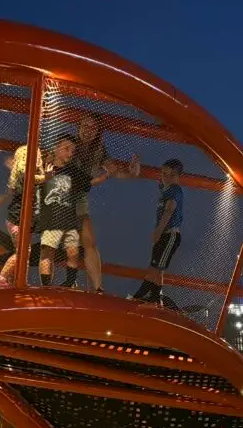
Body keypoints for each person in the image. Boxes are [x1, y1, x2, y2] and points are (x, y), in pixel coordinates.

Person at [74, 115, 139, 293]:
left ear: (98, 133)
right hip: (59, 196)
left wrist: (131, 173)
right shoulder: (70, 143)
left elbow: (114, 171)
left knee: (89, 241)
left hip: (79, 199)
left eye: (93, 128)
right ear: (78, 127)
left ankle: (98, 288)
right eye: (84, 125)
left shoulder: (99, 151)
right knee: (56, 241)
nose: (88, 130)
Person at [0, 143, 47, 287]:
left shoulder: (22, 173)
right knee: (23, 252)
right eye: (37, 157)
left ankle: (19, 281)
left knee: (25, 252)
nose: (39, 159)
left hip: (20, 219)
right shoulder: (24, 174)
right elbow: (33, 179)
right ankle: (1, 278)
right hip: (18, 219)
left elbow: (8, 194)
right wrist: (46, 176)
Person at [39, 136, 92, 287]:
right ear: (56, 148)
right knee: (48, 250)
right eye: (66, 149)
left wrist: (107, 175)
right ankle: (46, 285)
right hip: (50, 216)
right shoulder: (44, 166)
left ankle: (69, 282)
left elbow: (89, 182)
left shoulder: (73, 171)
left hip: (69, 217)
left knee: (73, 251)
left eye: (72, 151)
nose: (70, 153)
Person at [133, 158, 183, 303]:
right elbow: (162, 185)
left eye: (172, 175)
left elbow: (170, 208)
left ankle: (138, 296)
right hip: (165, 234)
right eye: (164, 174)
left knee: (154, 268)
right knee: (159, 268)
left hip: (169, 234)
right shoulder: (166, 188)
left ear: (178, 177)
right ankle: (154, 298)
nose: (167, 177)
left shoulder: (175, 190)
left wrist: (158, 230)